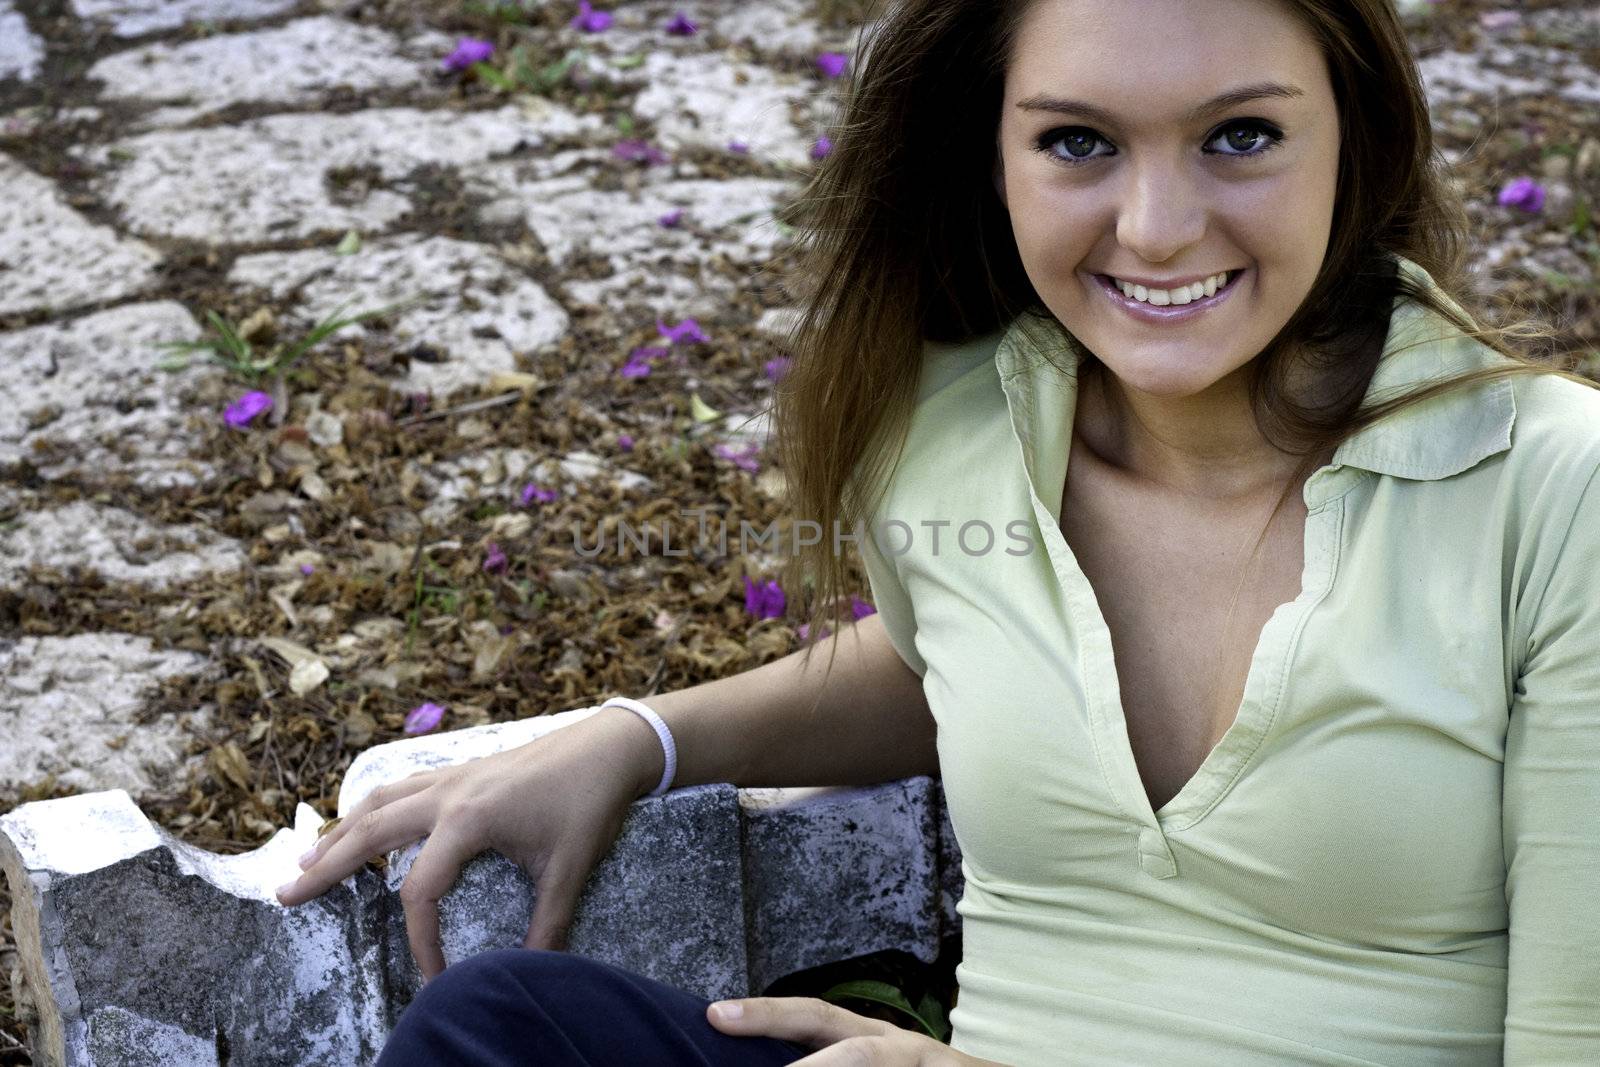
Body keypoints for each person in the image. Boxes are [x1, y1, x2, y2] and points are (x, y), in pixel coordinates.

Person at [275, 0, 1600, 1063]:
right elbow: (965, 662)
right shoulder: (961, 432)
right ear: (996, 155)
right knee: (501, 1025)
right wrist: (644, 738)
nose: (1156, 226)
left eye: (1240, 135)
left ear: (1354, 140)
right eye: (1078, 140)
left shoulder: (1553, 492)